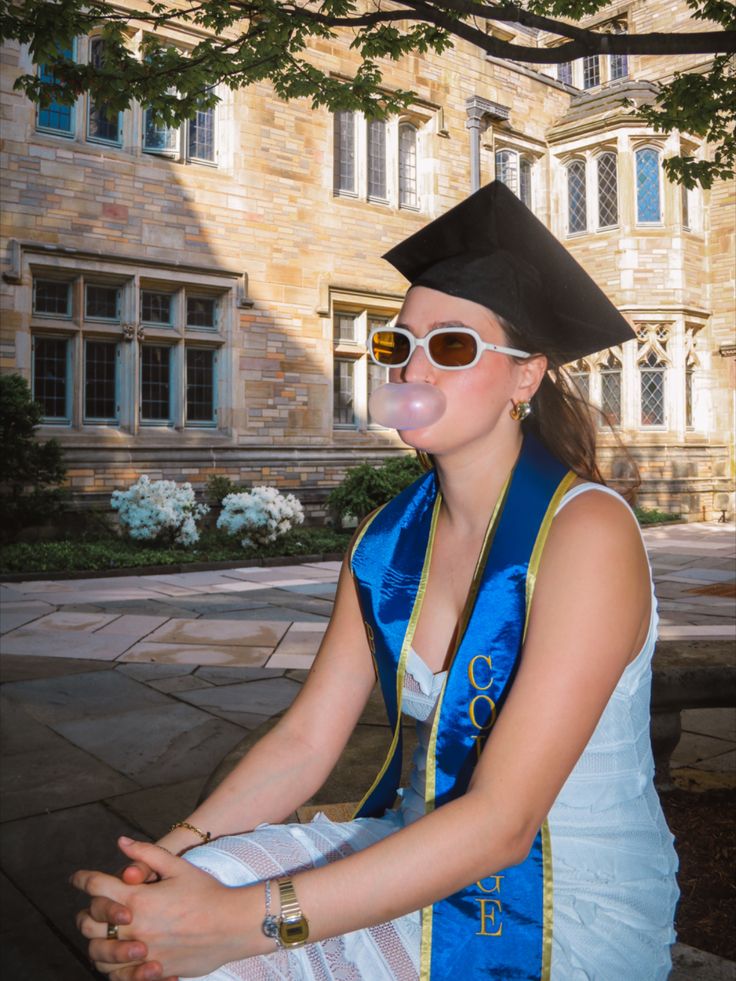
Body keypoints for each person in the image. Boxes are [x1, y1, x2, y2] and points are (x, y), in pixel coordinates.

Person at [72, 182, 679, 981]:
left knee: (222, 945)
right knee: (158, 919)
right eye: (400, 344)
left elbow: (504, 822)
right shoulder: (390, 538)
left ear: (525, 377)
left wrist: (241, 922)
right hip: (419, 839)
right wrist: (170, 856)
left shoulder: (586, 533)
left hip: (566, 899)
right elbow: (305, 741)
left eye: (453, 345)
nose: (414, 364)